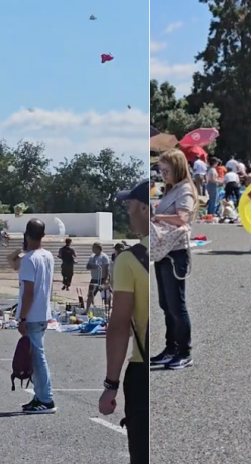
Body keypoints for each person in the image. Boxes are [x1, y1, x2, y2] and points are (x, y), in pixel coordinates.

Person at [101, 180, 151, 464]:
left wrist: (110, 384)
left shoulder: (129, 260)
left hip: (142, 369)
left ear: (145, 208)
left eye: (130, 206)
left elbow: (120, 324)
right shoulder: (177, 248)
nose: (127, 212)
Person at [148, 149, 194, 370]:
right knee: (166, 304)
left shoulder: (184, 190)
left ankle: (184, 351)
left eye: (166, 170)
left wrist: (157, 216)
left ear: (177, 168)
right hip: (164, 251)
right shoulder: (171, 189)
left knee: (177, 304)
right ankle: (171, 347)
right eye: (160, 170)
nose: (163, 174)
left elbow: (182, 218)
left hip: (175, 252)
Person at [16, 218, 55, 414]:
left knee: (38, 358)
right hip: (43, 312)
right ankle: (39, 396)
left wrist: (22, 318)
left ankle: (46, 398)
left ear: (27, 235)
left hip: (32, 315)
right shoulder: (47, 255)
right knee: (35, 356)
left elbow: (28, 292)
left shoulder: (29, 260)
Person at [85, 243, 111, 311]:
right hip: (94, 279)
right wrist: (93, 266)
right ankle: (87, 309)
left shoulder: (104, 257)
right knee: (90, 295)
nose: (92, 250)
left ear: (98, 248)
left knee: (105, 296)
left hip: (102, 279)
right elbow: (87, 266)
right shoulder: (92, 256)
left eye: (94, 248)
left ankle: (107, 310)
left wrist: (105, 280)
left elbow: (107, 269)